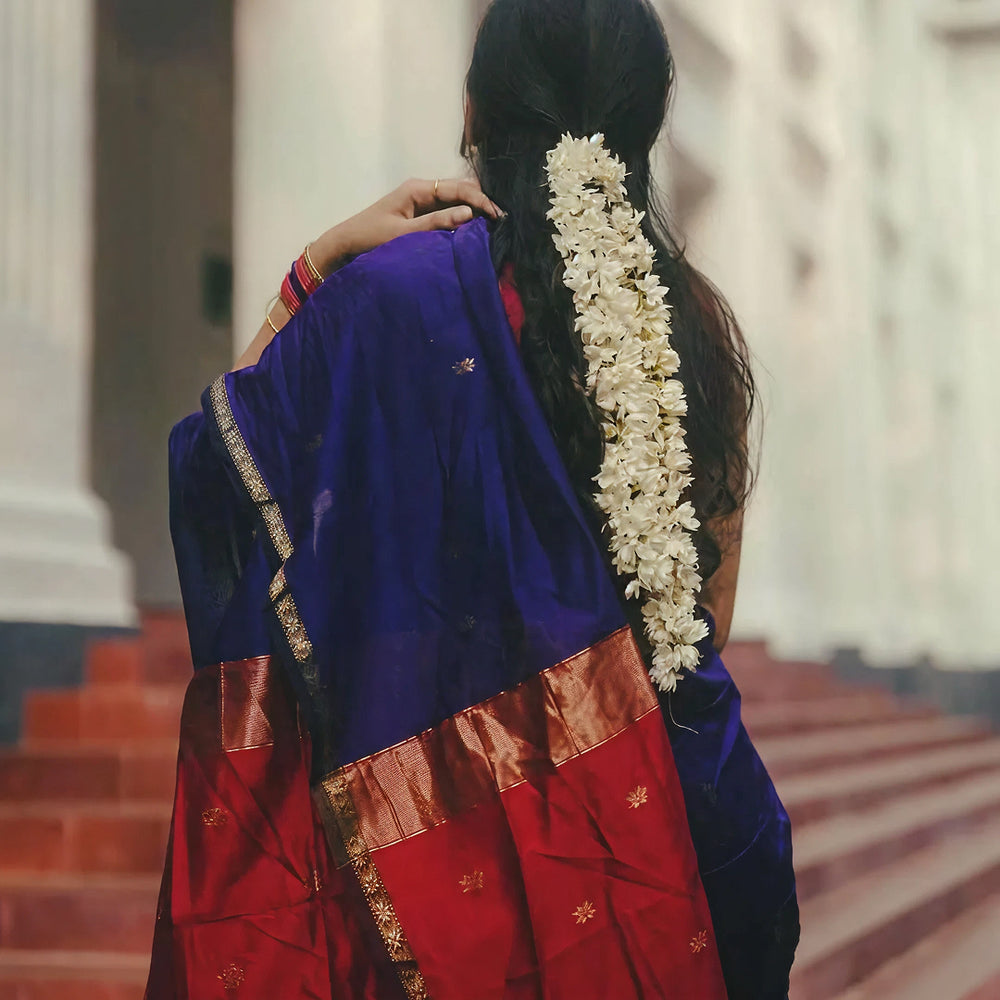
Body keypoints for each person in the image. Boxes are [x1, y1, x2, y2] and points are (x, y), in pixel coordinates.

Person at [148, 1, 799, 998]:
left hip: (420, 864)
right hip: (657, 856)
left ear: (472, 111)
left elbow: (219, 473)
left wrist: (313, 266)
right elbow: (703, 617)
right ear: (644, 126)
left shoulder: (384, 299)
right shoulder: (691, 334)